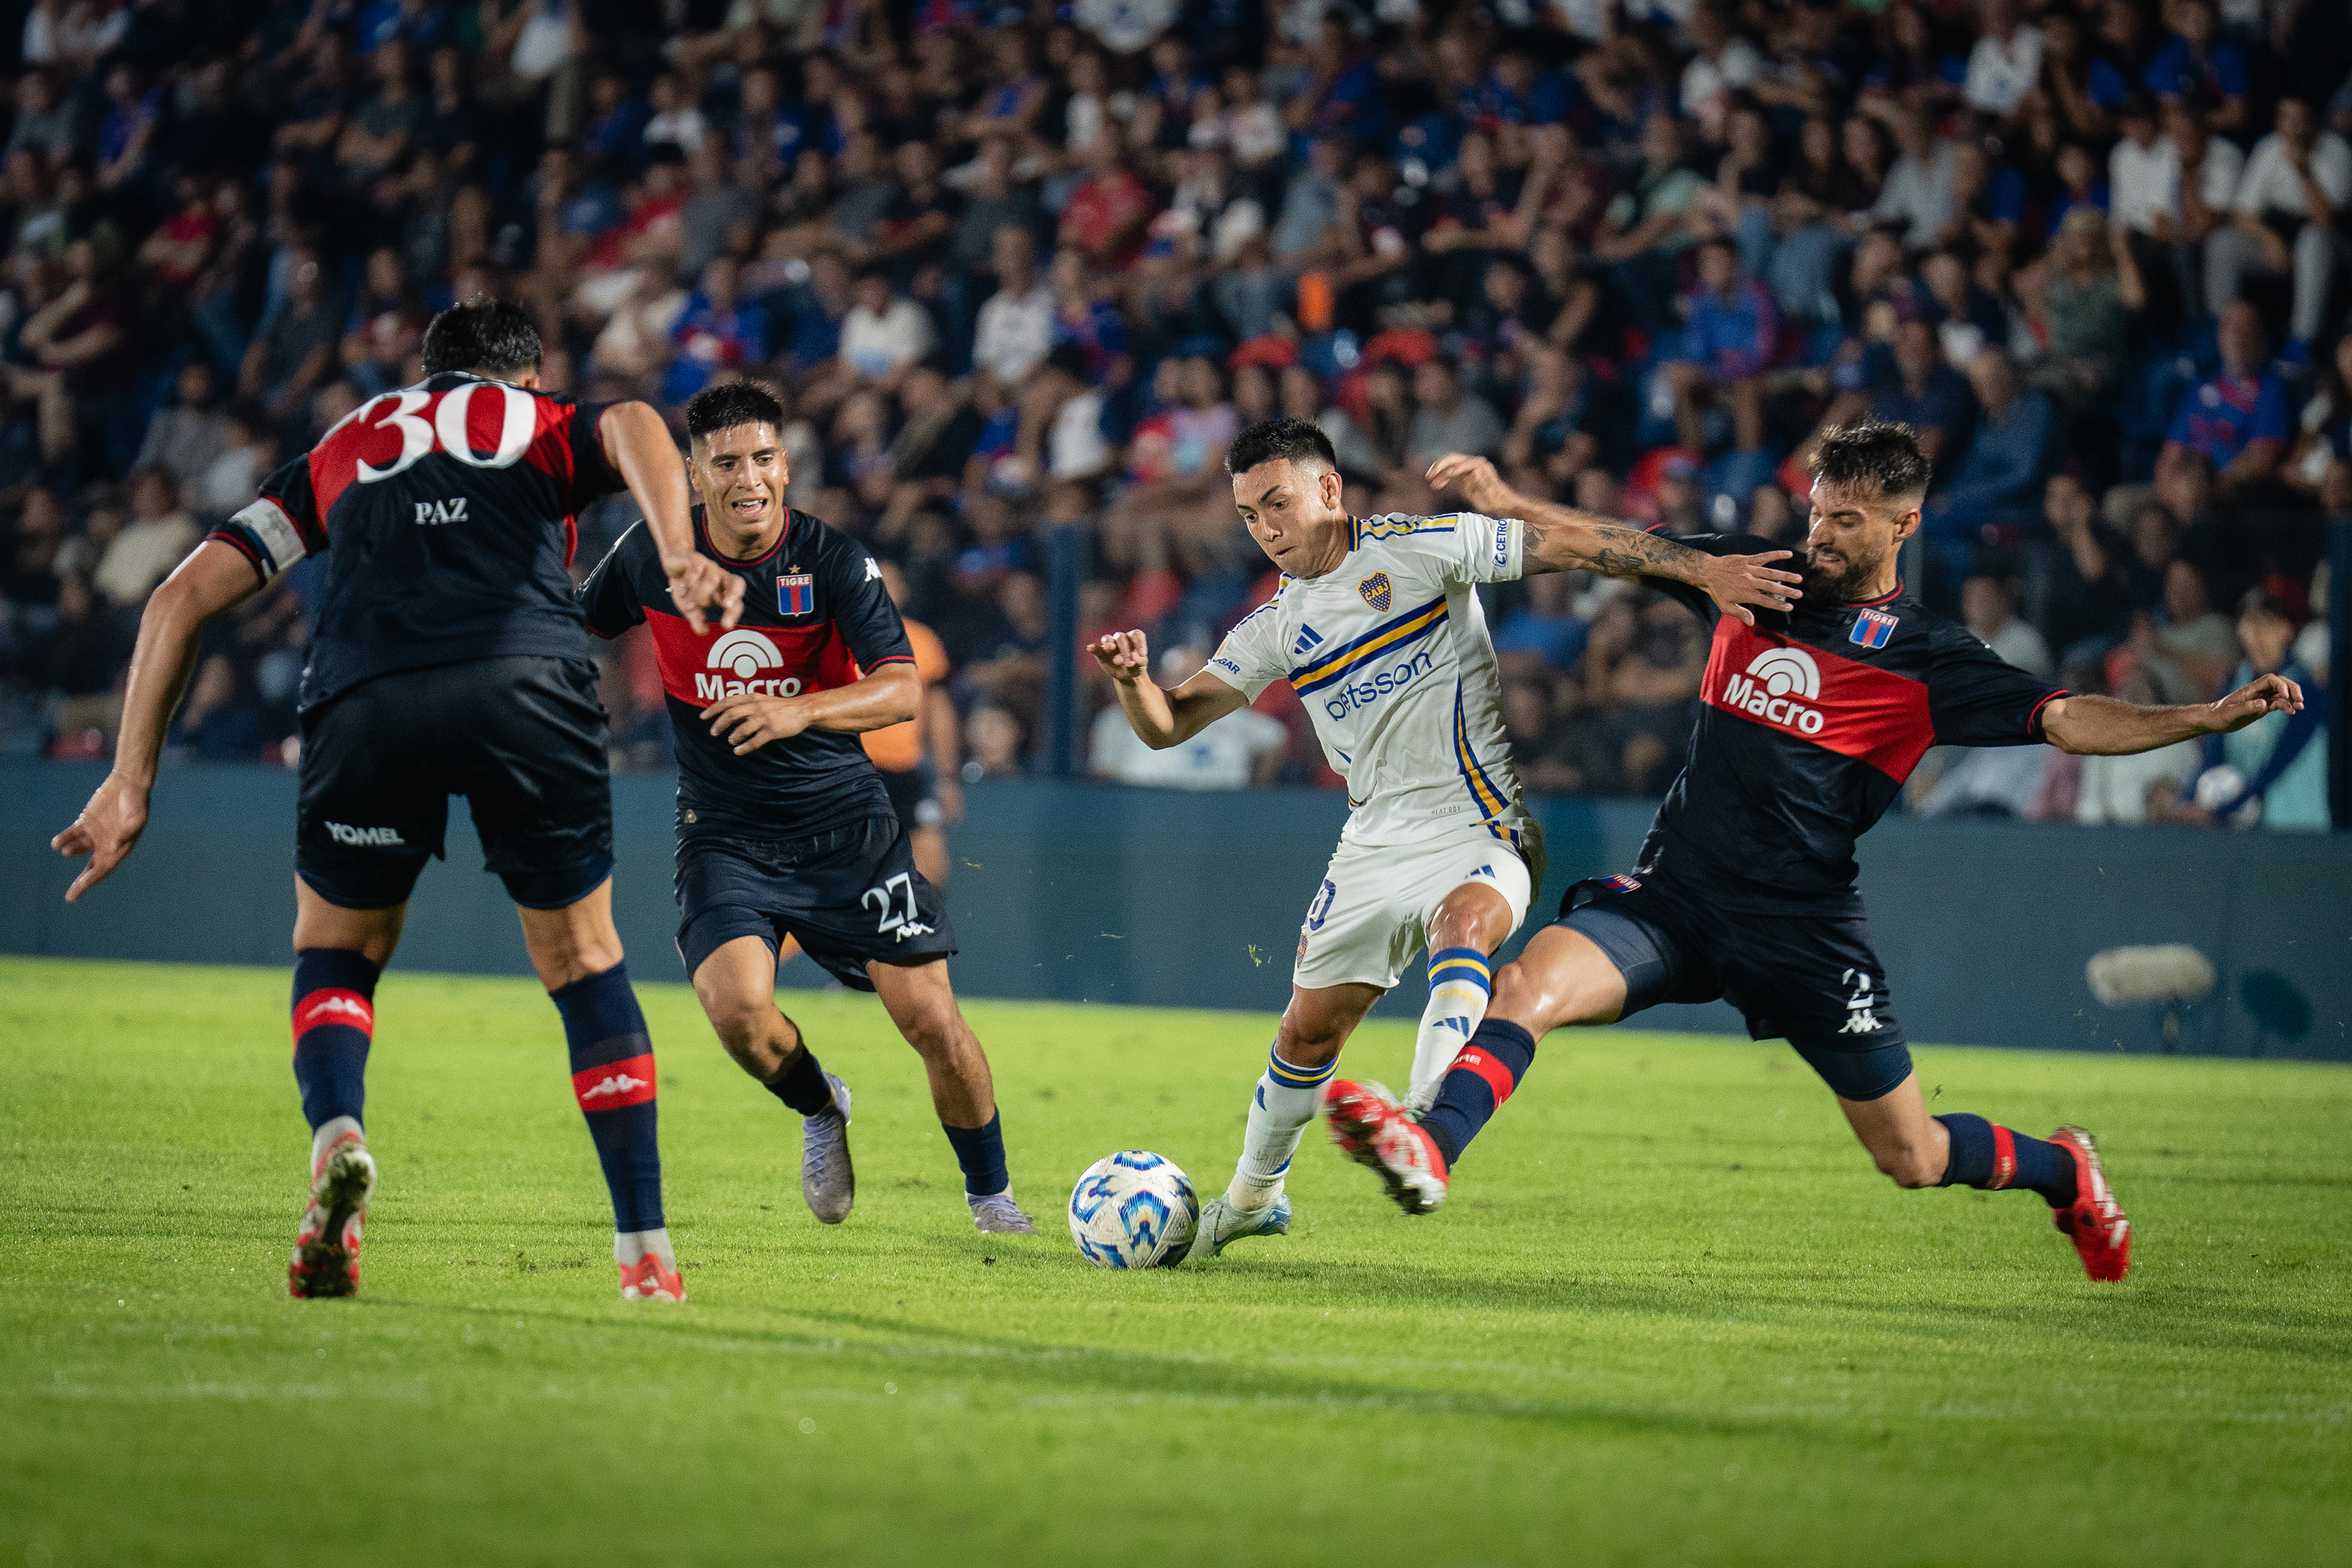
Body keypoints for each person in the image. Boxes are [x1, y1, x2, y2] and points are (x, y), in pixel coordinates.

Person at [1326, 421, 2306, 1284]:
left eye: (1847, 519)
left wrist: (2201, 717)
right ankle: (1432, 1149)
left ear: (1903, 527)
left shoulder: (1927, 658)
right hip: (1676, 897)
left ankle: (2065, 1170)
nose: (1821, 533)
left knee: (1913, 1157)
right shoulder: (1754, 577)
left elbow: (2067, 719)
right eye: (1817, 510)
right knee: (1527, 986)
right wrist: (1509, 501)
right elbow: (1613, 546)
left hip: (1802, 931)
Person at [48, 300, 745, 1302]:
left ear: (427, 374)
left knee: (338, 952)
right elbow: (636, 420)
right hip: (525, 682)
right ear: (529, 375)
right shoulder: (538, 419)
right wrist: (677, 551)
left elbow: (177, 599)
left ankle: (339, 1139)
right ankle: (646, 1257)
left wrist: (129, 780)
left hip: (365, 693)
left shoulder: (344, 445)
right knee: (583, 959)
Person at [1088, 417, 1799, 1257]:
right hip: (1372, 843)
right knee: (1306, 1035)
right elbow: (1169, 725)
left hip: (1479, 823)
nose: (1266, 528)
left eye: (1278, 502)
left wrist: (1702, 569)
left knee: (1461, 927)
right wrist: (1133, 682)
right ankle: (1252, 1198)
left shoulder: (1419, 548)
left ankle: (1425, 1127)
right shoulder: (1275, 626)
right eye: (1249, 515)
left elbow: (1570, 545)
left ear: (1329, 489)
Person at [576, 380, 1036, 1237]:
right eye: (726, 463)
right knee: (738, 1014)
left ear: (786, 466)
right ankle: (823, 1106)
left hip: (846, 830)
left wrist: (800, 710)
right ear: (694, 474)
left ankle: (992, 1198)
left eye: (763, 458)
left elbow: (901, 689)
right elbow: (576, 627)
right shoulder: (653, 554)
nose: (748, 478)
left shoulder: (832, 561)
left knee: (931, 1019)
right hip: (724, 833)